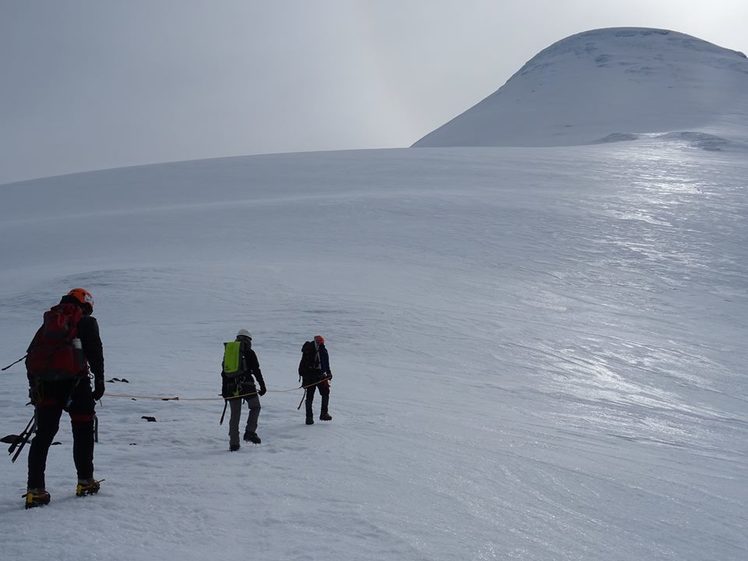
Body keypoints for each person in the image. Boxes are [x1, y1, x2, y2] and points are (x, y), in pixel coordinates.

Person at [24, 288, 105, 508]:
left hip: (46, 388)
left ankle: (35, 490)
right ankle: (85, 482)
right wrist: (99, 383)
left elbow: (31, 356)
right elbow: (95, 353)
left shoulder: (50, 322)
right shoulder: (86, 322)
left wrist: (34, 388)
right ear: (86, 305)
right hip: (76, 386)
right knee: (83, 431)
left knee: (43, 436)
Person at [221, 329, 266, 451]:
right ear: (248, 339)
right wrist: (262, 385)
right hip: (247, 386)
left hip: (231, 387)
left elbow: (224, 373)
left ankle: (234, 444)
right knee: (255, 407)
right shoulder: (249, 352)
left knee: (235, 415)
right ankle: (250, 432)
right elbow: (256, 370)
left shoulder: (229, 351)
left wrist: (224, 390)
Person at [298, 335, 333, 425]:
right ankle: (320, 414)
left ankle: (311, 417)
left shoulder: (311, 349)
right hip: (315, 376)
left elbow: (324, 362)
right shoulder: (315, 350)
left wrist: (328, 373)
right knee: (322, 393)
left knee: (313, 395)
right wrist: (328, 373)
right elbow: (324, 363)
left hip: (312, 376)